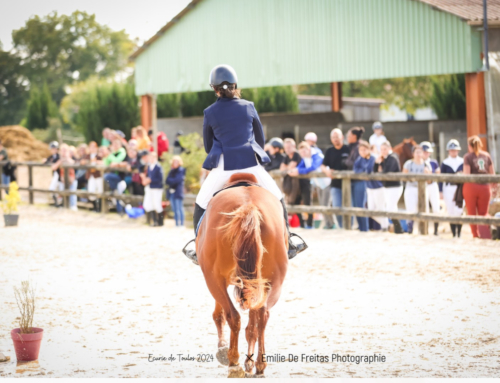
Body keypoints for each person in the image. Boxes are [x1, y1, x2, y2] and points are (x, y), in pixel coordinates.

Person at [183, 64, 307, 263]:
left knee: (201, 201)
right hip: (251, 164)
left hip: (224, 167)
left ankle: (197, 247)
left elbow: (208, 145)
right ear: (235, 85)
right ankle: (289, 241)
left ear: (214, 88)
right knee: (277, 196)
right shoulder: (248, 106)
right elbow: (260, 139)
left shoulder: (210, 112)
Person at [463, 135, 495, 239]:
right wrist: (495, 186)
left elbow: (467, 174)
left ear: (469, 146)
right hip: (485, 187)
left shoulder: (468, 157)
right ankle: (485, 235)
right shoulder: (486, 155)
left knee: (471, 212)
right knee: (483, 212)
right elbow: (492, 173)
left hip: (471, 186)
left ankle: (475, 234)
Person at [288, 141, 323, 229]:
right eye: (301, 152)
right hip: (319, 183)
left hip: (326, 182)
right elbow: (300, 167)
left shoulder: (316, 154)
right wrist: (294, 170)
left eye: (304, 151)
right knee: (322, 203)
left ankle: (312, 224)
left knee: (323, 204)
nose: (302, 153)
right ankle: (307, 225)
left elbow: (313, 167)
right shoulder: (305, 157)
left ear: (308, 149)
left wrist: (298, 171)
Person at [321, 128, 350, 228]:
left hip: (349, 184)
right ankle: (341, 227)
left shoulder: (348, 149)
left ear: (342, 137)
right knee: (337, 207)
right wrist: (327, 171)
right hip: (335, 184)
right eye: (333, 137)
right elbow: (323, 165)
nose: (335, 139)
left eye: (337, 137)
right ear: (331, 139)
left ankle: (348, 227)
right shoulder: (329, 151)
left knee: (349, 207)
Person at [374, 141, 403, 233]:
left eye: (385, 149)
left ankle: (399, 228)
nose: (383, 151)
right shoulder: (385, 159)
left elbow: (386, 172)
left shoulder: (393, 158)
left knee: (390, 209)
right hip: (387, 187)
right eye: (381, 149)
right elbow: (376, 172)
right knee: (393, 208)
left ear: (389, 148)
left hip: (395, 187)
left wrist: (380, 168)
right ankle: (398, 230)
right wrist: (377, 162)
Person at [402, 145, 431, 234]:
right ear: (413, 154)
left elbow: (430, 181)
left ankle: (423, 230)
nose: (418, 154)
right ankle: (410, 230)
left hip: (423, 189)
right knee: (411, 209)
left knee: (424, 209)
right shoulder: (408, 164)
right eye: (416, 152)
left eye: (420, 152)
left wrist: (428, 174)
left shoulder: (426, 165)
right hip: (411, 188)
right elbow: (403, 177)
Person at [440, 139, 464, 238]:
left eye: (455, 150)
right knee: (450, 210)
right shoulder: (445, 163)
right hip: (449, 188)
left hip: (459, 189)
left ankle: (459, 233)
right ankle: (454, 233)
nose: (453, 151)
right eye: (451, 150)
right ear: (448, 151)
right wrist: (440, 190)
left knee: (459, 210)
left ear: (458, 150)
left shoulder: (462, 161)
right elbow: (441, 178)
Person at [351, 140, 375, 232]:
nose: (362, 152)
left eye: (364, 150)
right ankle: (361, 227)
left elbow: (369, 169)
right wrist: (363, 171)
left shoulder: (372, 158)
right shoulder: (359, 159)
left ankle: (365, 228)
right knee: (358, 205)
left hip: (368, 185)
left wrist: (363, 170)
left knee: (363, 205)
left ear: (368, 150)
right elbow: (355, 169)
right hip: (359, 183)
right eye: (360, 150)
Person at [420, 141, 441, 235]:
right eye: (424, 151)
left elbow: (438, 174)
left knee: (436, 207)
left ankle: (436, 230)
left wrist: (430, 174)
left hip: (432, 185)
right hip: (422, 186)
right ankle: (425, 230)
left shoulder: (433, 162)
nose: (425, 153)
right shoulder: (418, 162)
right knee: (425, 208)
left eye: (427, 152)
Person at [103, 139, 128, 214]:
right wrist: (108, 155)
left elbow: (117, 160)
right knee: (117, 194)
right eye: (114, 144)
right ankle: (120, 211)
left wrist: (111, 157)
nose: (115, 146)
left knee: (106, 176)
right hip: (115, 177)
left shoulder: (122, 152)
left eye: (117, 144)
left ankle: (121, 210)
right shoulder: (114, 153)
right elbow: (106, 163)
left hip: (121, 177)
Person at [366, 144, 387, 231]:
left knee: (380, 208)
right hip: (370, 187)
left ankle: (385, 226)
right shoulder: (366, 159)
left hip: (378, 187)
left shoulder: (374, 158)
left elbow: (372, 172)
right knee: (371, 211)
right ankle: (386, 225)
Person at [142, 152, 164, 227]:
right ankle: (154, 221)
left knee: (157, 204)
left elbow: (160, 178)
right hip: (151, 188)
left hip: (157, 188)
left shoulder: (158, 166)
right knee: (151, 204)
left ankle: (161, 222)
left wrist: (150, 180)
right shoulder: (149, 166)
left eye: (152, 158)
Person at [53, 143, 78, 211]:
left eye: (65, 150)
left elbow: (74, 164)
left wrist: (67, 158)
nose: (63, 152)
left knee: (72, 192)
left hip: (72, 179)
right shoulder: (59, 158)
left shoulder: (71, 157)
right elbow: (53, 167)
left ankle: (73, 206)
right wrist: (60, 161)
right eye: (62, 150)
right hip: (62, 180)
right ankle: (63, 204)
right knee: (62, 192)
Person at [81, 141, 103, 212]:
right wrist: (89, 161)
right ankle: (95, 207)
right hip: (91, 176)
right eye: (91, 147)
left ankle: (100, 208)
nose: (92, 148)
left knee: (99, 191)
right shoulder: (87, 156)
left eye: (94, 147)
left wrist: (95, 162)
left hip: (98, 176)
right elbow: (82, 162)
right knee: (91, 191)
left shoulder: (99, 156)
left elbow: (102, 162)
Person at [166, 155, 186, 227]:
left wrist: (172, 181)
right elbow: (167, 180)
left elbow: (178, 180)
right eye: (174, 161)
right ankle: (177, 224)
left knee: (179, 209)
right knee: (174, 209)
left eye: (177, 161)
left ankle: (181, 224)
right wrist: (172, 181)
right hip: (171, 192)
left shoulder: (181, 170)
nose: (175, 163)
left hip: (178, 192)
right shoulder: (171, 171)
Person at [45, 141, 62, 207]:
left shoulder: (59, 156)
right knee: (53, 189)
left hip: (59, 175)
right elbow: (46, 161)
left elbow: (54, 166)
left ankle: (59, 203)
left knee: (59, 189)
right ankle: (56, 203)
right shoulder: (51, 157)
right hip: (55, 175)